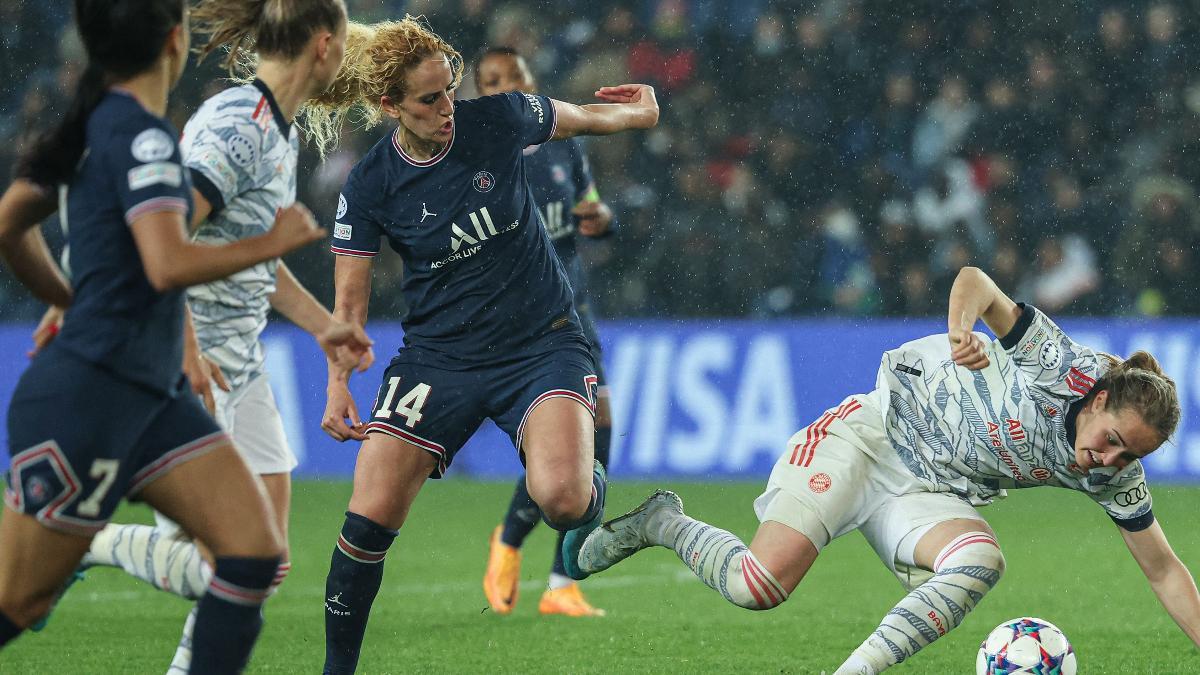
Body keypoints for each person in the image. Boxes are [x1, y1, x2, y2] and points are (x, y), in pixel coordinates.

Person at [579, 266, 1200, 674]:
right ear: (1095, 400)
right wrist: (961, 331)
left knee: (982, 560)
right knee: (757, 588)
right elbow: (976, 280)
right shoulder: (1060, 365)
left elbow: (1165, 571)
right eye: (1113, 440)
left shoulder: (1112, 476)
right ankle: (662, 522)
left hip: (928, 494)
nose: (1111, 461)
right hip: (869, 440)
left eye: (1130, 457)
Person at [0, 0, 356, 670]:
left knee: (254, 554)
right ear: (172, 40)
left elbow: (14, 225)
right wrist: (264, 252)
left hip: (163, 376)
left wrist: (69, 297)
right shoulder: (161, 135)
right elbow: (166, 256)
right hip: (118, 380)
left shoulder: (109, 125)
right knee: (20, 600)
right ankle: (95, 542)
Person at [310, 16, 658, 673]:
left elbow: (579, 117)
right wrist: (336, 385)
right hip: (438, 356)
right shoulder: (371, 184)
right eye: (429, 99)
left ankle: (596, 490)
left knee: (562, 501)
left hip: (541, 341)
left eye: (449, 89)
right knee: (369, 512)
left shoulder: (496, 118)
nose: (447, 108)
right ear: (390, 107)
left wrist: (638, 115)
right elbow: (348, 306)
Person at [474, 46, 616, 618]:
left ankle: (562, 580)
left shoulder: (565, 147)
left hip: (575, 311)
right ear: (478, 93)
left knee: (599, 431)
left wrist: (603, 220)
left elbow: (593, 212)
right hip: (521, 323)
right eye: (491, 81)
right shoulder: (479, 157)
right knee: (553, 454)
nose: (504, 86)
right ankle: (509, 540)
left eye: (514, 76)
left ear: (531, 82)